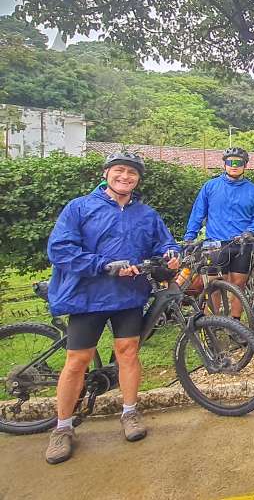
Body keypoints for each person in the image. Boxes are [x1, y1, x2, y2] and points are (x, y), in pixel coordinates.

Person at [44, 152, 181, 464]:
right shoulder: (80, 207)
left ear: (138, 179)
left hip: (129, 297)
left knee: (128, 352)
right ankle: (62, 428)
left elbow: (165, 243)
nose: (125, 177)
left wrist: (172, 254)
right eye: (119, 170)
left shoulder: (146, 214)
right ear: (106, 173)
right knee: (77, 360)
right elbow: (60, 249)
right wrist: (103, 265)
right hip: (88, 296)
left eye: (132, 173)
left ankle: (130, 412)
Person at [183, 147, 254, 318]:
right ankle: (212, 324)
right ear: (224, 164)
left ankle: (234, 323)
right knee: (214, 286)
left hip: (243, 243)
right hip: (215, 244)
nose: (234, 166)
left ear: (245, 165)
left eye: (239, 162)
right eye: (230, 162)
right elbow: (198, 213)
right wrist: (190, 237)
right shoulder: (210, 186)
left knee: (239, 285)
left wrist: (250, 231)